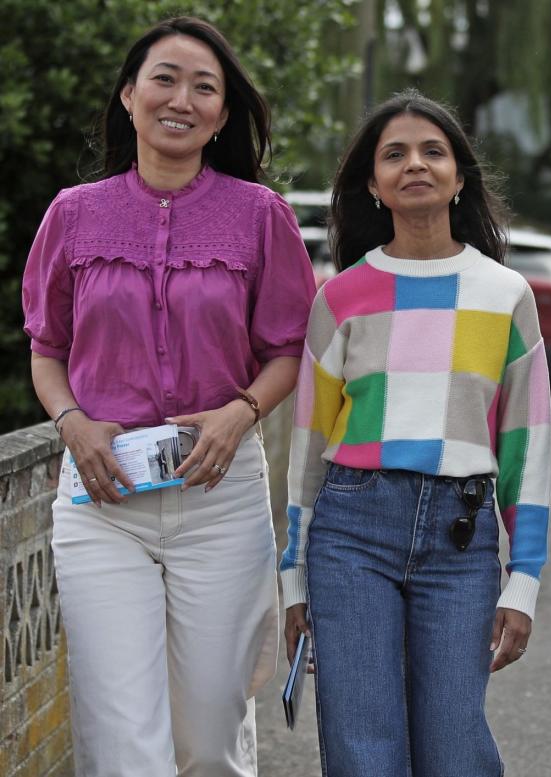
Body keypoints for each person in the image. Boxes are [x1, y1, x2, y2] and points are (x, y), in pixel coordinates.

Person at [21, 16, 315, 776]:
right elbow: (46, 348)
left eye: (204, 86)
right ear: (128, 95)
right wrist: (71, 421)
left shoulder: (260, 215)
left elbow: (287, 350)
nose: (181, 97)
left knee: (210, 738)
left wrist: (242, 409)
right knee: (123, 740)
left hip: (219, 497)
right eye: (164, 78)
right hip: (101, 500)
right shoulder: (72, 214)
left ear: (220, 115)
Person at [281, 88, 551, 776]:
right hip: (350, 534)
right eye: (394, 154)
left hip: (461, 542)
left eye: (434, 151)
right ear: (372, 183)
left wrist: (522, 581)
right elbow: (307, 450)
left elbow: (529, 446)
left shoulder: (505, 294)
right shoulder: (339, 297)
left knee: (455, 751)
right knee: (364, 751)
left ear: (460, 175)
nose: (416, 165)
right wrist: (293, 579)